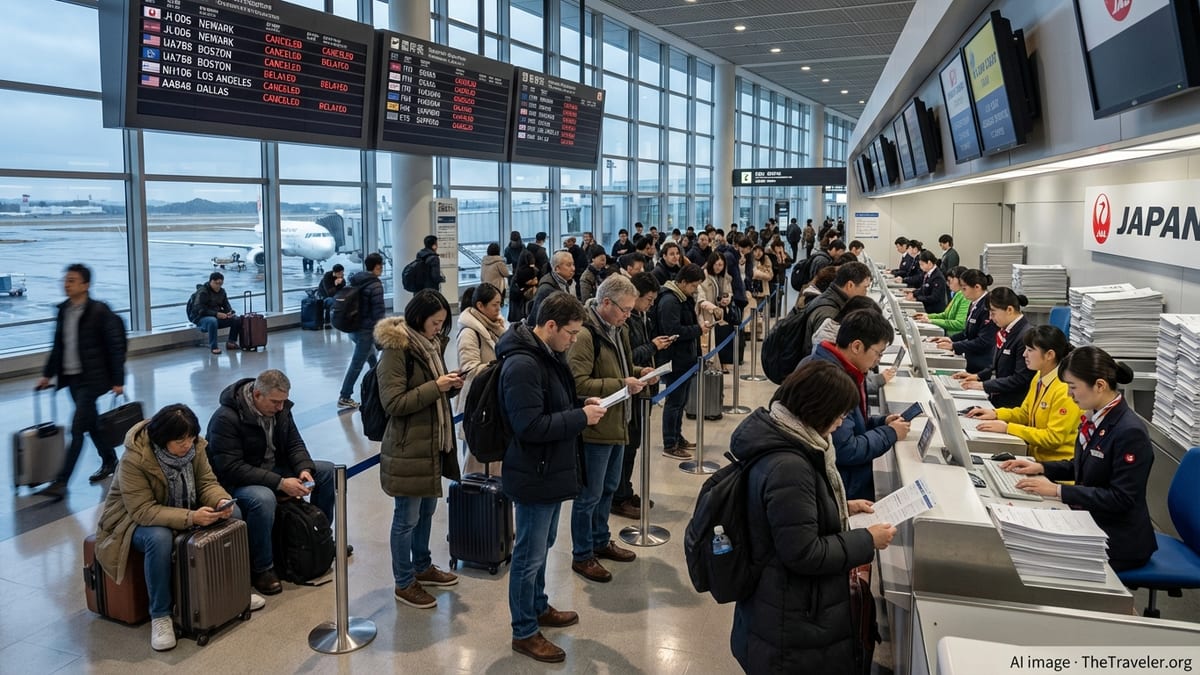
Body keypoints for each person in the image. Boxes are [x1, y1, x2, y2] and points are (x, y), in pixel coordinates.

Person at [730, 360, 896, 673]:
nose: (842, 422)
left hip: (781, 608)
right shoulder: (790, 466)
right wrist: (867, 540)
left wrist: (842, 507)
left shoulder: (788, 441)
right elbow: (804, 552)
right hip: (788, 618)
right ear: (818, 410)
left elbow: (789, 516)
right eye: (840, 414)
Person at [94, 404, 266, 651]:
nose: (187, 445)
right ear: (162, 439)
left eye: (191, 438)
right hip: (129, 522)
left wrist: (219, 500)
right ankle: (161, 615)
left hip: (183, 510)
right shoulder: (135, 458)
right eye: (180, 440)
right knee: (160, 538)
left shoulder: (196, 448)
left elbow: (206, 482)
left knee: (234, 514)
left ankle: (235, 593)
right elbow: (143, 511)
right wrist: (192, 517)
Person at [497, 291, 606, 663]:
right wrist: (579, 419)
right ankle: (524, 630)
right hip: (533, 472)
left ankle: (539, 606)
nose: (574, 340)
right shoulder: (523, 365)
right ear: (550, 326)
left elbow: (552, 405)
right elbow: (529, 425)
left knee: (543, 547)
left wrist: (580, 406)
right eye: (571, 333)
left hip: (549, 468)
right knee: (528, 555)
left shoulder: (549, 355)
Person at [997, 346, 1156, 571]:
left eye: (1073, 387)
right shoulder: (1096, 416)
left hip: (1116, 537)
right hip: (1089, 518)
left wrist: (1057, 491)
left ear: (1099, 386)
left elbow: (1121, 498)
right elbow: (1083, 466)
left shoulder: (1129, 432)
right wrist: (1040, 467)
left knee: (1030, 556)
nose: (1070, 395)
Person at [206, 369, 338, 596]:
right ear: (257, 395)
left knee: (325, 471)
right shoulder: (225, 419)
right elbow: (231, 468)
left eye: (283, 401)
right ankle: (263, 568)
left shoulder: (282, 409)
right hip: (239, 480)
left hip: (274, 470)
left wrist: (304, 469)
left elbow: (294, 443)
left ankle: (320, 539)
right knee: (263, 499)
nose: (280, 407)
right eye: (275, 402)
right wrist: (280, 483)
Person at [374, 290, 464, 608]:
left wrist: (448, 387)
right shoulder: (396, 350)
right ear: (418, 317)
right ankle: (403, 581)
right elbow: (394, 403)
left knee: (427, 510)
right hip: (407, 446)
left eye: (442, 323)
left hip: (432, 442)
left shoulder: (431, 347)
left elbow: (431, 394)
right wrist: (436, 387)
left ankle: (422, 565)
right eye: (435, 322)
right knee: (406, 517)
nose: (439, 328)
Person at [567, 276, 653, 583]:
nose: (629, 314)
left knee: (608, 488)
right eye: (625, 309)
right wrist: (621, 383)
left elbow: (623, 368)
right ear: (606, 303)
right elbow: (577, 383)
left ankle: (601, 540)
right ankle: (582, 554)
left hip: (619, 421)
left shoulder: (620, 329)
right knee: (589, 494)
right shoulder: (586, 335)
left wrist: (640, 373)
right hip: (596, 427)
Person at [35, 263, 127, 499]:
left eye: (72, 280)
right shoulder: (64, 310)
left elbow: (115, 346)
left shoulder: (99, 311)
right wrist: (47, 374)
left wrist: (118, 380)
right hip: (72, 378)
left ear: (86, 285)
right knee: (92, 423)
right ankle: (109, 460)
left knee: (77, 428)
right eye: (66, 280)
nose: (66, 284)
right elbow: (58, 346)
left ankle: (61, 481)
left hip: (93, 379)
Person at [804, 310, 910, 500]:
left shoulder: (843, 369)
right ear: (857, 346)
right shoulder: (833, 383)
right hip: (843, 484)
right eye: (878, 353)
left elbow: (852, 424)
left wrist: (881, 422)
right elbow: (845, 449)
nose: (878, 360)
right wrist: (890, 433)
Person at [965, 325, 1081, 463]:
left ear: (1050, 355)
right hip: (1033, 458)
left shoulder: (1064, 389)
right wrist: (996, 414)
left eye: (1030, 350)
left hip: (1054, 468)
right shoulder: (1039, 376)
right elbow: (1025, 414)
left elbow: (1053, 438)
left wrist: (1008, 428)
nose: (1024, 354)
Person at [612, 272, 669, 519]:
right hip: (628, 392)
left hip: (641, 387)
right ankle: (619, 496)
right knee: (626, 447)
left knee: (633, 446)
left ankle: (625, 490)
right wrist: (653, 347)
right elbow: (628, 357)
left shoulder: (639, 316)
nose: (651, 304)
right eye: (648, 299)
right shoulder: (624, 321)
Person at [654, 263, 710, 460]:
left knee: (681, 401)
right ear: (683, 282)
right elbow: (672, 331)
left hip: (685, 357)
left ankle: (677, 436)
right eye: (694, 285)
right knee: (674, 402)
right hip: (675, 359)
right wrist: (698, 330)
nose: (695, 289)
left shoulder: (682, 297)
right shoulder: (670, 300)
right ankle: (670, 443)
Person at [455, 283, 506, 474]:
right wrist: (502, 368)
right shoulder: (470, 332)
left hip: (493, 402)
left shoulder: (496, 327)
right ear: (480, 306)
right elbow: (470, 369)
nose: (499, 309)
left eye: (500, 304)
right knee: (475, 463)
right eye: (495, 304)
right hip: (477, 405)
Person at [954, 287, 1034, 408]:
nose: (990, 317)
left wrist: (983, 385)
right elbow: (997, 365)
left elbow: (1020, 379)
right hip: (998, 397)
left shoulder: (1025, 336)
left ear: (1009, 310)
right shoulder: (1005, 330)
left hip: (1012, 405)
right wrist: (978, 376)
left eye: (993, 312)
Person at [337, 252, 386, 409]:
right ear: (377, 266)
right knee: (357, 363)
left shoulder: (357, 279)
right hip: (366, 330)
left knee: (372, 359)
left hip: (354, 327)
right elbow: (378, 312)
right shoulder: (375, 284)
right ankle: (345, 395)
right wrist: (383, 332)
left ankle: (380, 387)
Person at [798, 261, 872, 358]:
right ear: (850, 285)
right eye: (865, 288)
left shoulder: (830, 299)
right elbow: (824, 358)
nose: (866, 293)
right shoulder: (830, 314)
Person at [933, 269, 997, 374]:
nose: (962, 292)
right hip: (971, 358)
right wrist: (949, 339)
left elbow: (983, 341)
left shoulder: (987, 307)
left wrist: (954, 346)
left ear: (977, 287)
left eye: (964, 289)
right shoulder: (974, 303)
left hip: (981, 363)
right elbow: (967, 333)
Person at [192, 271, 241, 354]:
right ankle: (214, 346)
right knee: (212, 321)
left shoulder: (222, 292)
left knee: (236, 319)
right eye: (216, 283)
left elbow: (226, 305)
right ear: (211, 281)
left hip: (216, 315)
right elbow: (199, 309)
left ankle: (231, 342)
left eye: (220, 284)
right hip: (201, 317)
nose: (218, 286)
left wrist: (229, 312)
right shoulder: (203, 292)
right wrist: (216, 314)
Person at [527, 250, 578, 324]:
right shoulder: (547, 289)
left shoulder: (569, 282)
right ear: (557, 269)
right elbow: (537, 320)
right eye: (568, 265)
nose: (573, 268)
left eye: (573, 264)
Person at [915, 266, 968, 334]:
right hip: (948, 335)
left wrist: (931, 321)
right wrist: (927, 316)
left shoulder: (966, 297)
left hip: (955, 338)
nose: (948, 284)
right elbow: (946, 315)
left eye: (950, 280)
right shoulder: (957, 294)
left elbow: (960, 324)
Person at [696, 252, 733, 331]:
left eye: (720, 265)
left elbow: (729, 292)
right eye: (716, 265)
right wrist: (715, 308)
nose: (718, 267)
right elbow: (700, 300)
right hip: (707, 315)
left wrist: (727, 299)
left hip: (721, 315)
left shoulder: (724, 277)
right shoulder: (703, 276)